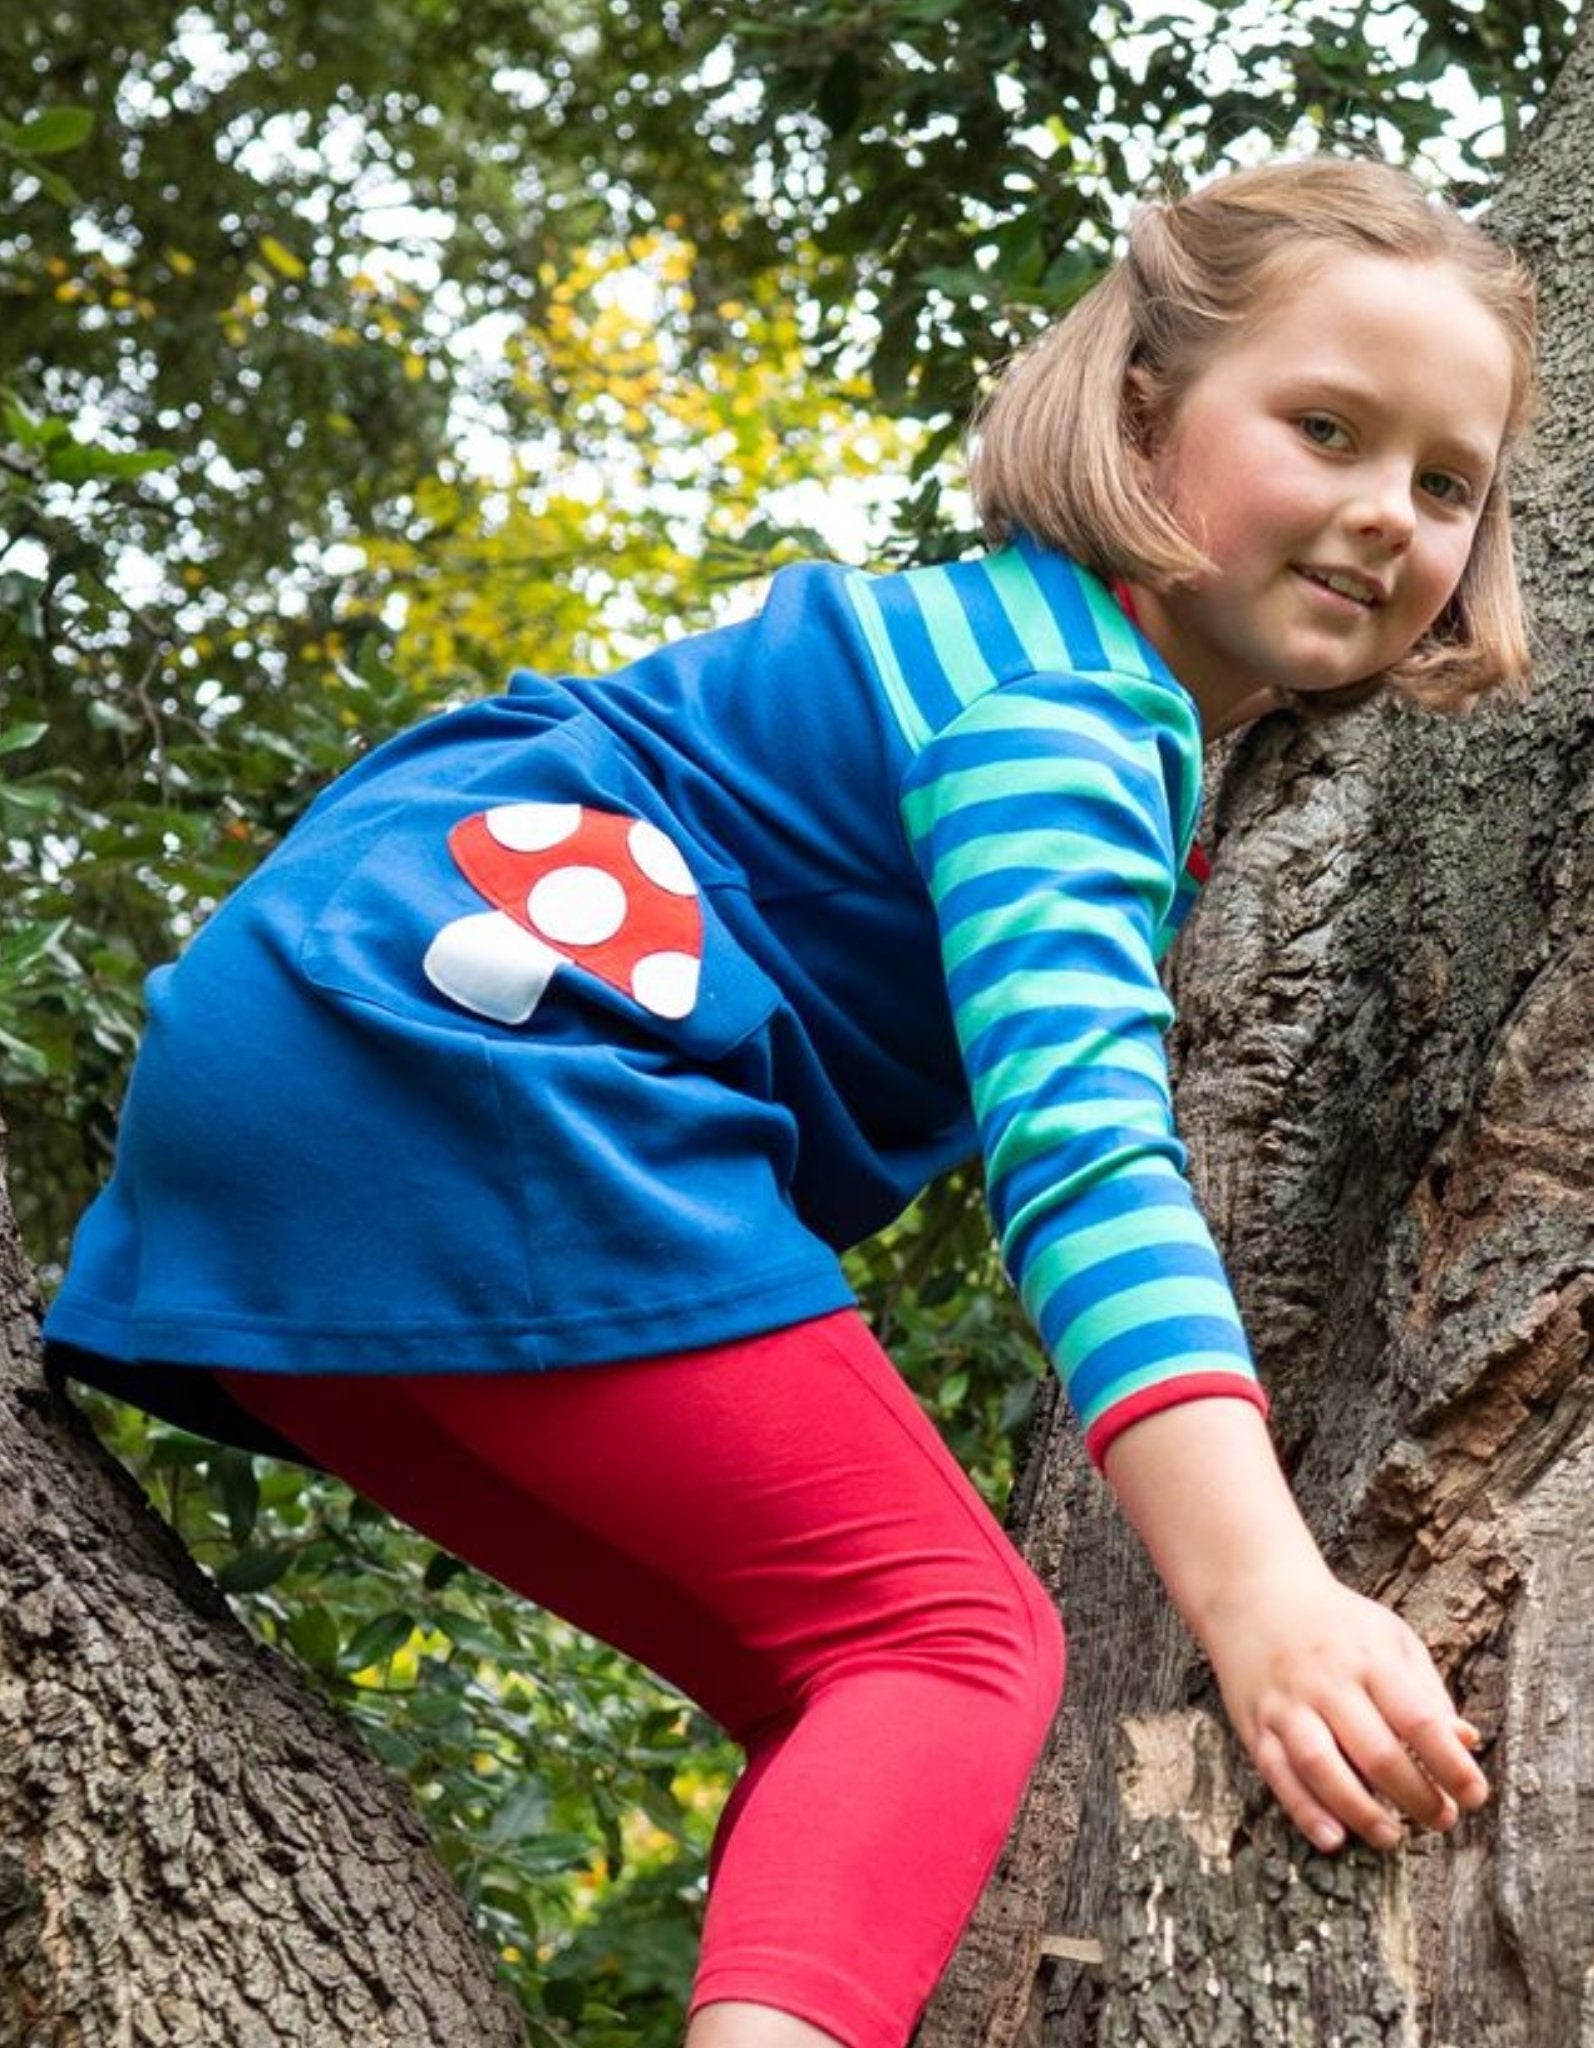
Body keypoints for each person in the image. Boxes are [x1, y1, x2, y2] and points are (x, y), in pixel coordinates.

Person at [44, 153, 1536, 2048]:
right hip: (470, 1058)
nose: (1379, 515)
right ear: (1142, 410)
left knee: (841, 1682)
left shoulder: (982, 648)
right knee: (953, 1649)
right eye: (1321, 427)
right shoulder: (1061, 710)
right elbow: (1081, 1150)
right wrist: (1265, 1600)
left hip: (311, 1058)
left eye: (1441, 482)